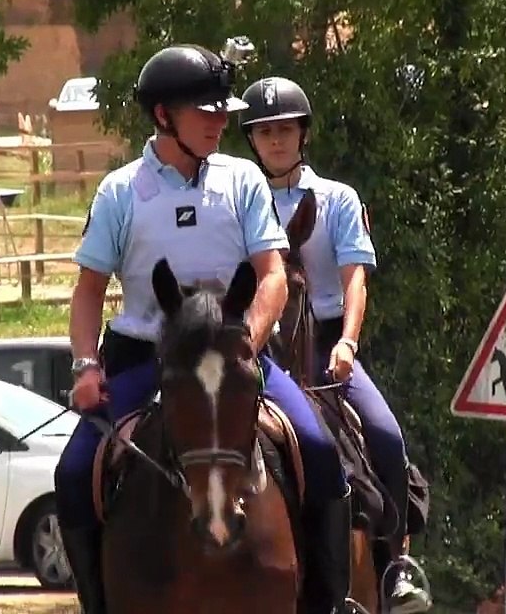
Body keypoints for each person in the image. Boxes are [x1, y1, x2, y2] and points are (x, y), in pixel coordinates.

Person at [55, 44, 356, 614]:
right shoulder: (121, 191)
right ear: (164, 116)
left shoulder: (243, 179)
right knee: (73, 474)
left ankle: (327, 603)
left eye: (224, 111)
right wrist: (86, 366)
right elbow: (89, 291)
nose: (223, 122)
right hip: (146, 356)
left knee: (319, 452)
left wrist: (247, 341)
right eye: (208, 112)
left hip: (237, 353)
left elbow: (272, 276)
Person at [240, 75, 433, 614]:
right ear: (252, 141)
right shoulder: (236, 198)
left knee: (386, 435)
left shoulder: (337, 199)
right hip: (258, 341)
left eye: (285, 130)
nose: (276, 140)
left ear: (303, 135)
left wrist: (348, 342)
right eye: (265, 132)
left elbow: (355, 279)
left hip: (324, 337)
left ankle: (396, 567)